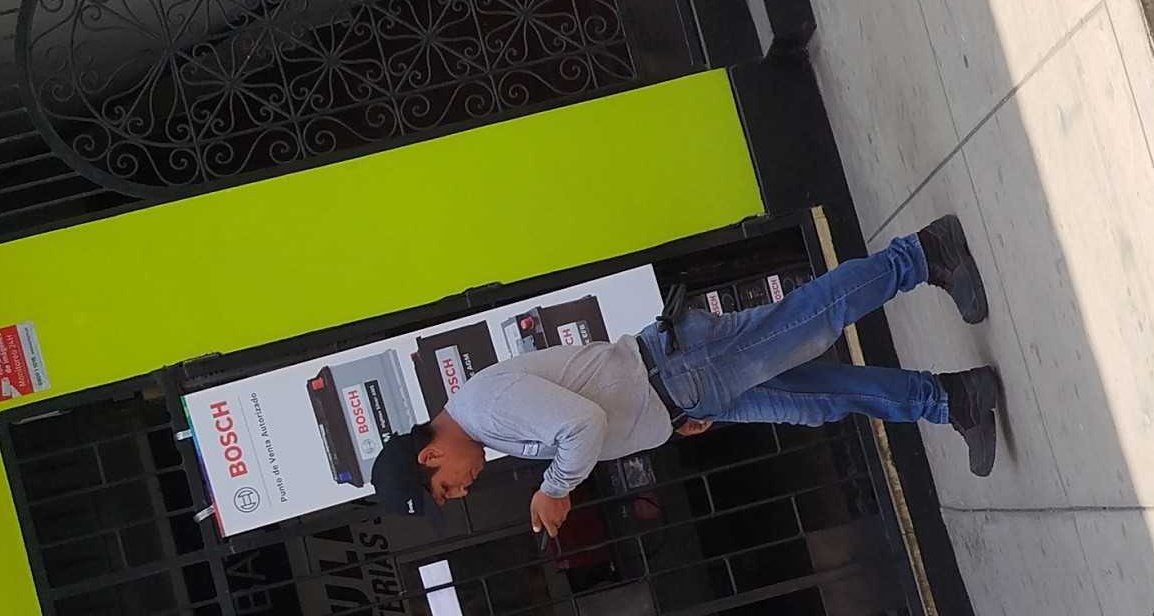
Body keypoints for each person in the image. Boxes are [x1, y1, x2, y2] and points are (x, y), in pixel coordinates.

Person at [369, 220, 1007, 530]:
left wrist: (555, 489)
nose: (460, 491)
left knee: (812, 319)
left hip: (682, 370)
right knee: (820, 399)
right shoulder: (486, 425)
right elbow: (594, 405)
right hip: (682, 394)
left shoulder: (485, 407)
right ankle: (953, 398)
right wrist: (665, 423)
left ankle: (925, 254)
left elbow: (581, 424)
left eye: (444, 489)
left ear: (430, 455)